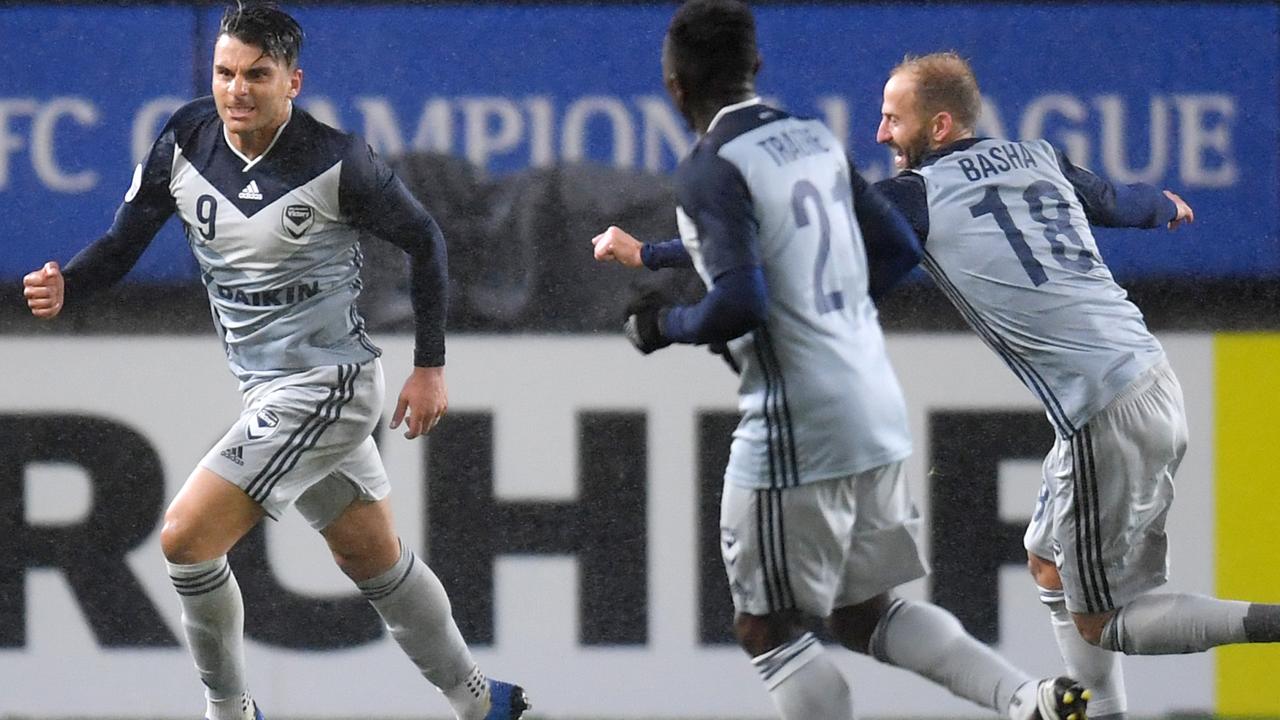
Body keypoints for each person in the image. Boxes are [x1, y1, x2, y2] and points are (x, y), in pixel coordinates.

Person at [21, 4, 528, 720]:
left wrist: (431, 366)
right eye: (225, 72)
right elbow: (123, 241)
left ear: (293, 80)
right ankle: (484, 702)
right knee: (373, 559)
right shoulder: (185, 139)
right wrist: (69, 282)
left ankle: (230, 713)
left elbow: (425, 240)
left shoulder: (336, 161)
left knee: (185, 540)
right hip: (269, 392)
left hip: (329, 386)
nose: (237, 90)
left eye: (257, 75)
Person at [591, 2, 1088, 719]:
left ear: (673, 86)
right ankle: (1026, 699)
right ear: (756, 69)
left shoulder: (708, 168)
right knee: (864, 613)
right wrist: (834, 323)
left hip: (797, 424)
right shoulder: (811, 138)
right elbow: (896, 247)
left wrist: (661, 327)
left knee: (765, 628)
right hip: (872, 400)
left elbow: (740, 302)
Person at [872, 51, 1280, 720]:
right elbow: (1118, 200)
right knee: (1047, 563)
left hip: (1101, 416)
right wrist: (1163, 207)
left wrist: (672, 256)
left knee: (1105, 622)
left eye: (893, 118)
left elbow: (804, 239)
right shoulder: (1038, 156)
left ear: (940, 125)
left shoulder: (913, 196)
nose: (882, 134)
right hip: (1149, 379)